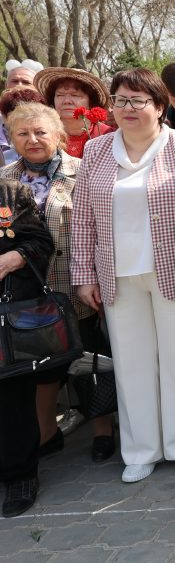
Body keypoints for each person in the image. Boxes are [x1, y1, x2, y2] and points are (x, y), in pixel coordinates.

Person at [71, 68, 175, 483]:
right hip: (118, 275)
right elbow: (82, 220)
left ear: (159, 106)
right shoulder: (97, 152)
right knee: (132, 364)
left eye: (138, 101)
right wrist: (84, 274)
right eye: (120, 100)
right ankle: (140, 450)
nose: (128, 108)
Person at [0, 103, 116, 463]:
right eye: (23, 133)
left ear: (59, 136)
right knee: (43, 363)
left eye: (40, 132)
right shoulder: (5, 180)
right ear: (12, 138)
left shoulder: (83, 172)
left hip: (79, 281)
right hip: (29, 292)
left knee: (93, 357)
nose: (32, 139)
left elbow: (101, 227)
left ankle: (103, 429)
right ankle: (46, 432)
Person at [0, 178, 55, 517]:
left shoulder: (10, 192)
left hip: (5, 314)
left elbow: (39, 241)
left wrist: (13, 258)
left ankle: (20, 475)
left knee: (11, 397)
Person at [33, 67, 112, 159]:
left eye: (75, 95)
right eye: (60, 95)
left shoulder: (107, 135)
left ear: (91, 101)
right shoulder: (41, 133)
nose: (66, 101)